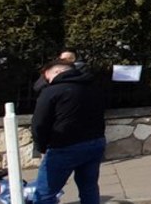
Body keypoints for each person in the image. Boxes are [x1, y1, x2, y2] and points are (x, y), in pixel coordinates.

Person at [31, 59, 107, 204]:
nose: (46, 80)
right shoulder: (93, 87)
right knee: (89, 187)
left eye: (47, 76)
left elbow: (39, 123)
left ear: (56, 72)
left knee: (45, 193)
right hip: (95, 142)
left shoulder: (51, 91)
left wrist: (41, 147)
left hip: (63, 146)